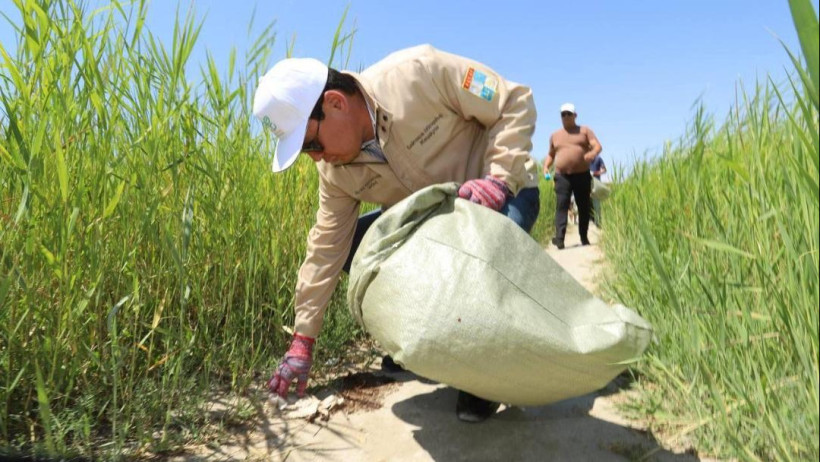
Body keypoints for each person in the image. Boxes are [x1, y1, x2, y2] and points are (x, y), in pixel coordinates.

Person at [252, 45, 541, 423]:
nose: (317, 158)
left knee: (483, 258)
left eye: (311, 144)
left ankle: (483, 376)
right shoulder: (336, 173)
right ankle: (417, 345)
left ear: (336, 103)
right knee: (359, 247)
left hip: (499, 198)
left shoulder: (420, 72)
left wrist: (499, 179)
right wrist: (302, 341)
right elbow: (326, 248)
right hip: (430, 224)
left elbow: (513, 101)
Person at [542, 103, 602, 249]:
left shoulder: (585, 131)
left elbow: (597, 146)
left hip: (582, 175)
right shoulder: (555, 135)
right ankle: (560, 239)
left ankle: (583, 236)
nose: (566, 117)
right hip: (562, 176)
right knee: (561, 205)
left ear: (575, 115)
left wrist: (592, 154)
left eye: (569, 114)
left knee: (583, 206)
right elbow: (551, 154)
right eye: (563, 114)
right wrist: (545, 167)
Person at [589, 155, 607, 227]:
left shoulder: (598, 159)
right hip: (585, 182)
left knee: (596, 202)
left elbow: (604, 170)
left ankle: (597, 222)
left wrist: (594, 173)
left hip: (596, 183)